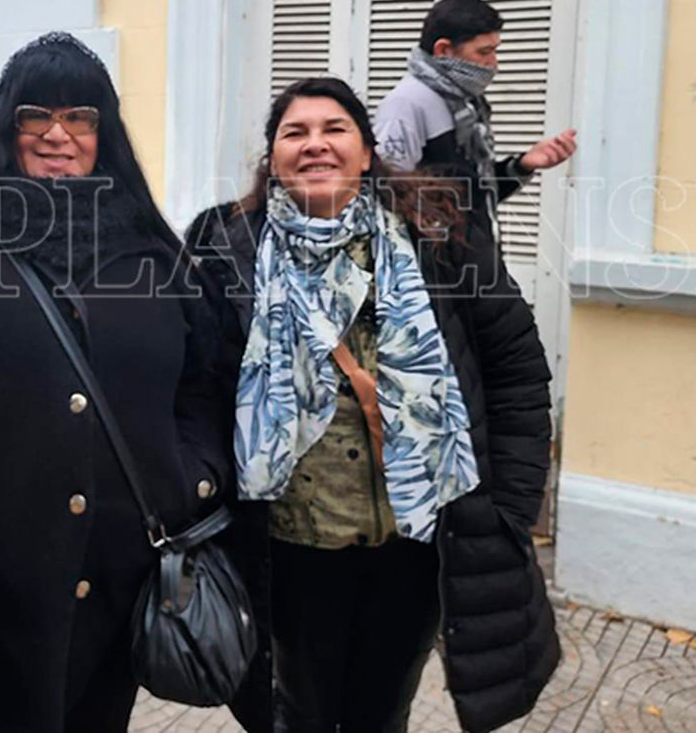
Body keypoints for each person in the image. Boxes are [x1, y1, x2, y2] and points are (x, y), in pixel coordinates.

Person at [186, 78, 558, 733]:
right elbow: (186, 385)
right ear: (271, 158)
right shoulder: (223, 247)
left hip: (413, 543)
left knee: (383, 711)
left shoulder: (441, 236)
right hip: (286, 545)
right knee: (296, 710)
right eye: (294, 133)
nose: (315, 145)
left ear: (365, 151)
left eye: (335, 129)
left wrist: (511, 508)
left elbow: (516, 372)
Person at [0, 32, 233, 732]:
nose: (58, 134)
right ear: (5, 127)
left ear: (102, 132)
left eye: (80, 116)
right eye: (34, 115)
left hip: (118, 577)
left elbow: (204, 384)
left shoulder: (153, 254)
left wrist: (187, 479)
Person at [374, 0, 576, 236]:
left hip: (478, 259)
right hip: (442, 267)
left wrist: (524, 165)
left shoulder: (466, 103)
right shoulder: (406, 105)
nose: (493, 63)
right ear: (444, 50)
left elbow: (475, 196)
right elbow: (390, 198)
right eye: (484, 52)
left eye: (495, 51)